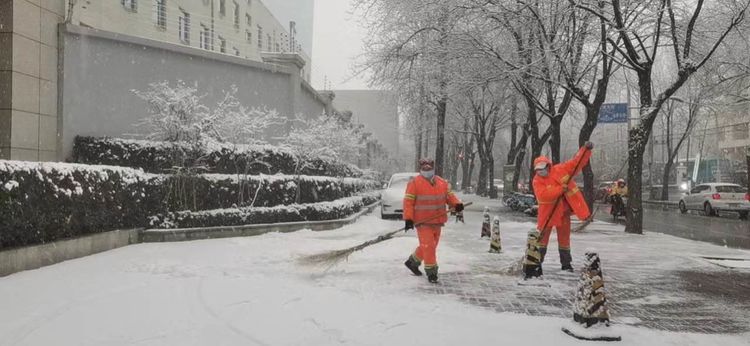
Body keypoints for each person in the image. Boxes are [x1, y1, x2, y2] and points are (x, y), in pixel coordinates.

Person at [531, 142, 593, 273]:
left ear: (548, 165)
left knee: (564, 240)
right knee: (542, 239)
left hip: (563, 213)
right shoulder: (537, 180)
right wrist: (560, 189)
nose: (541, 171)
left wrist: (585, 150)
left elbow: (577, 162)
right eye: (538, 170)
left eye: (542, 168)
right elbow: (543, 196)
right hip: (547, 214)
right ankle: (537, 262)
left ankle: (566, 264)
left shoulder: (561, 170)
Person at [403, 158, 464, 283]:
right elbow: (408, 203)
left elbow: (450, 197)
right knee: (429, 246)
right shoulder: (414, 183)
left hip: (438, 221)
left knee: (430, 246)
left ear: (433, 167)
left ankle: (412, 262)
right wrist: (408, 219)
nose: (426, 169)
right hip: (422, 222)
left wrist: (457, 204)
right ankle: (432, 273)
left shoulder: (442, 183)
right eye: (424, 167)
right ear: (420, 168)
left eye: (429, 167)